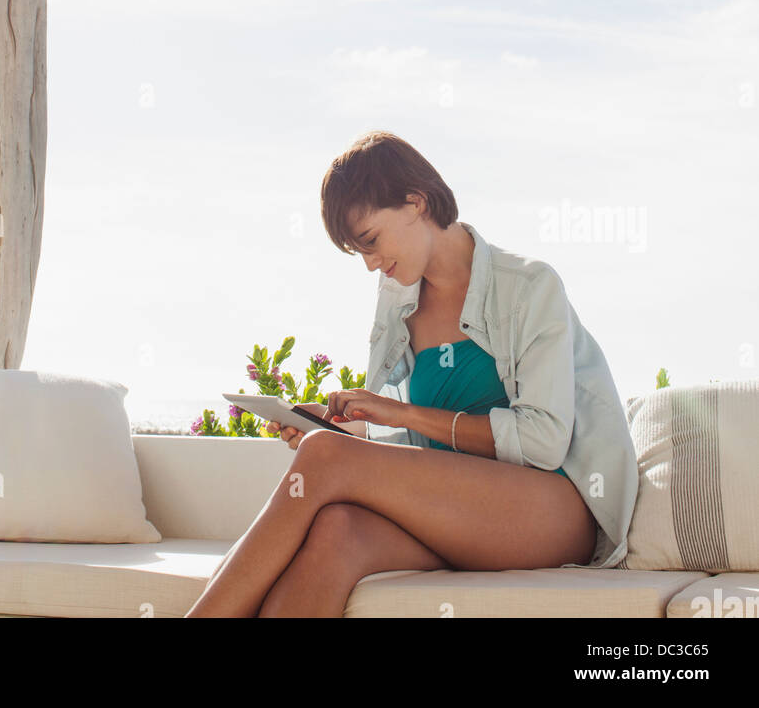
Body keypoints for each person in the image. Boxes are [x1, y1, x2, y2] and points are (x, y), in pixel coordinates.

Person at [184, 130, 638, 618]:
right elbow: (421, 447)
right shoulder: (398, 302)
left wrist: (392, 415)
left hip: (549, 510)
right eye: (359, 252)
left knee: (324, 458)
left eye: (372, 241)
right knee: (339, 531)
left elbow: (544, 441)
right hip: (452, 509)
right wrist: (351, 427)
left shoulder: (529, 285)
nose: (370, 264)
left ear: (416, 202)